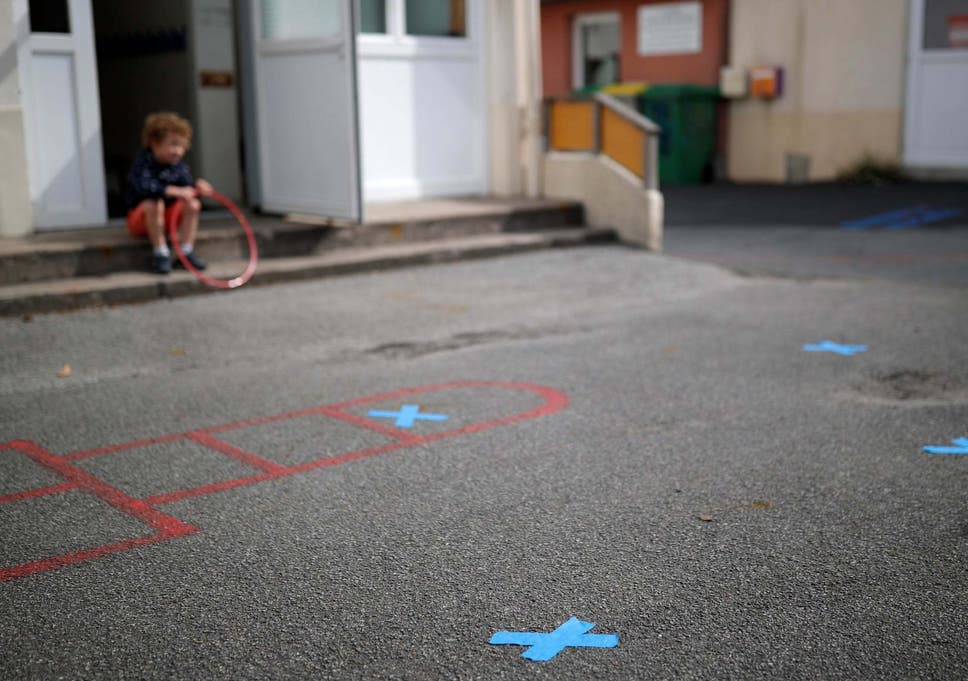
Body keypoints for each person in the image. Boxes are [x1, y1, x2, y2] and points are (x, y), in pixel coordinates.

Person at [125, 112, 213, 274]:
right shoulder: (143, 162)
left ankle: (185, 252)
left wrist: (196, 188)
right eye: (172, 144)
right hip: (141, 220)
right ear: (154, 144)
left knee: (192, 204)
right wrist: (172, 190)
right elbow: (144, 186)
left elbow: (186, 189)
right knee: (153, 203)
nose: (178, 151)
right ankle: (160, 252)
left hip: (167, 220)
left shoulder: (178, 166)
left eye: (182, 146)